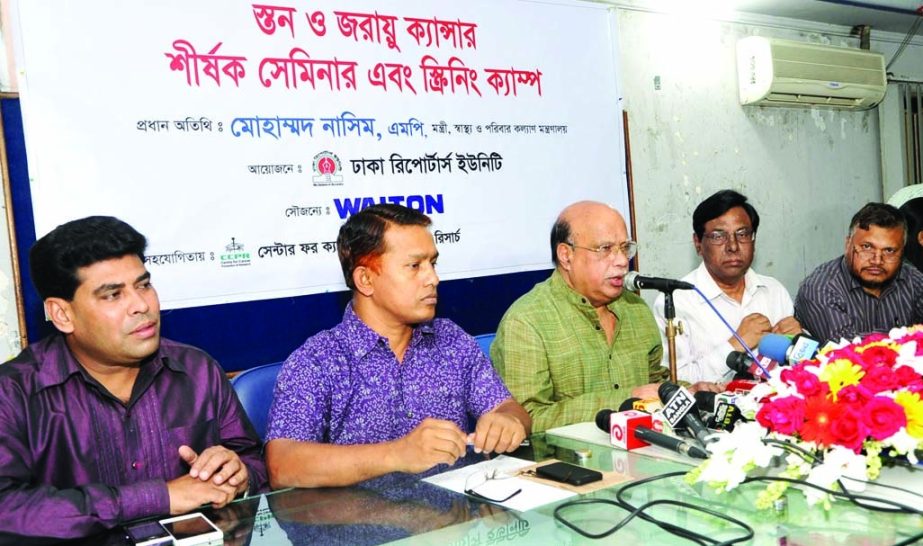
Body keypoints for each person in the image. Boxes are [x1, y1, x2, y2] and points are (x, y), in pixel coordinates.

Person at [0, 216, 267, 541]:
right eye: (113, 295)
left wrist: (239, 474)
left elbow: (254, 462)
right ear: (62, 314)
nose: (142, 305)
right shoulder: (14, 392)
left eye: (143, 285)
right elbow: (7, 509)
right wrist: (160, 497)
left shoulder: (196, 370)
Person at [265, 204, 530, 488]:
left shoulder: (451, 340)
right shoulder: (319, 360)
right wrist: (398, 454)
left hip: (455, 521)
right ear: (366, 279)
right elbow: (283, 464)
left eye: (433, 263)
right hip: (359, 528)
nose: (433, 279)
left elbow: (510, 409)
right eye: (415, 266)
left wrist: (507, 422)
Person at [491, 201, 720, 433]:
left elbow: (656, 384)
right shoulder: (526, 322)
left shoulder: (636, 309)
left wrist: (689, 391)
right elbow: (528, 420)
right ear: (566, 255)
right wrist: (627, 398)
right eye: (605, 248)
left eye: (624, 248)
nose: (622, 261)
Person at [653, 190, 800, 382]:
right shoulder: (676, 302)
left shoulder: (773, 291)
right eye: (718, 236)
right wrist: (736, 345)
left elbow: (797, 372)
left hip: (775, 408)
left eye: (742, 234)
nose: (733, 246)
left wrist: (798, 342)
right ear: (698, 243)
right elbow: (674, 381)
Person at [795, 203, 923, 343]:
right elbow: (847, 348)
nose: (877, 260)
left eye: (889, 251)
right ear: (847, 244)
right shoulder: (820, 288)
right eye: (867, 247)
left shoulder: (911, 279)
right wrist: (910, 336)